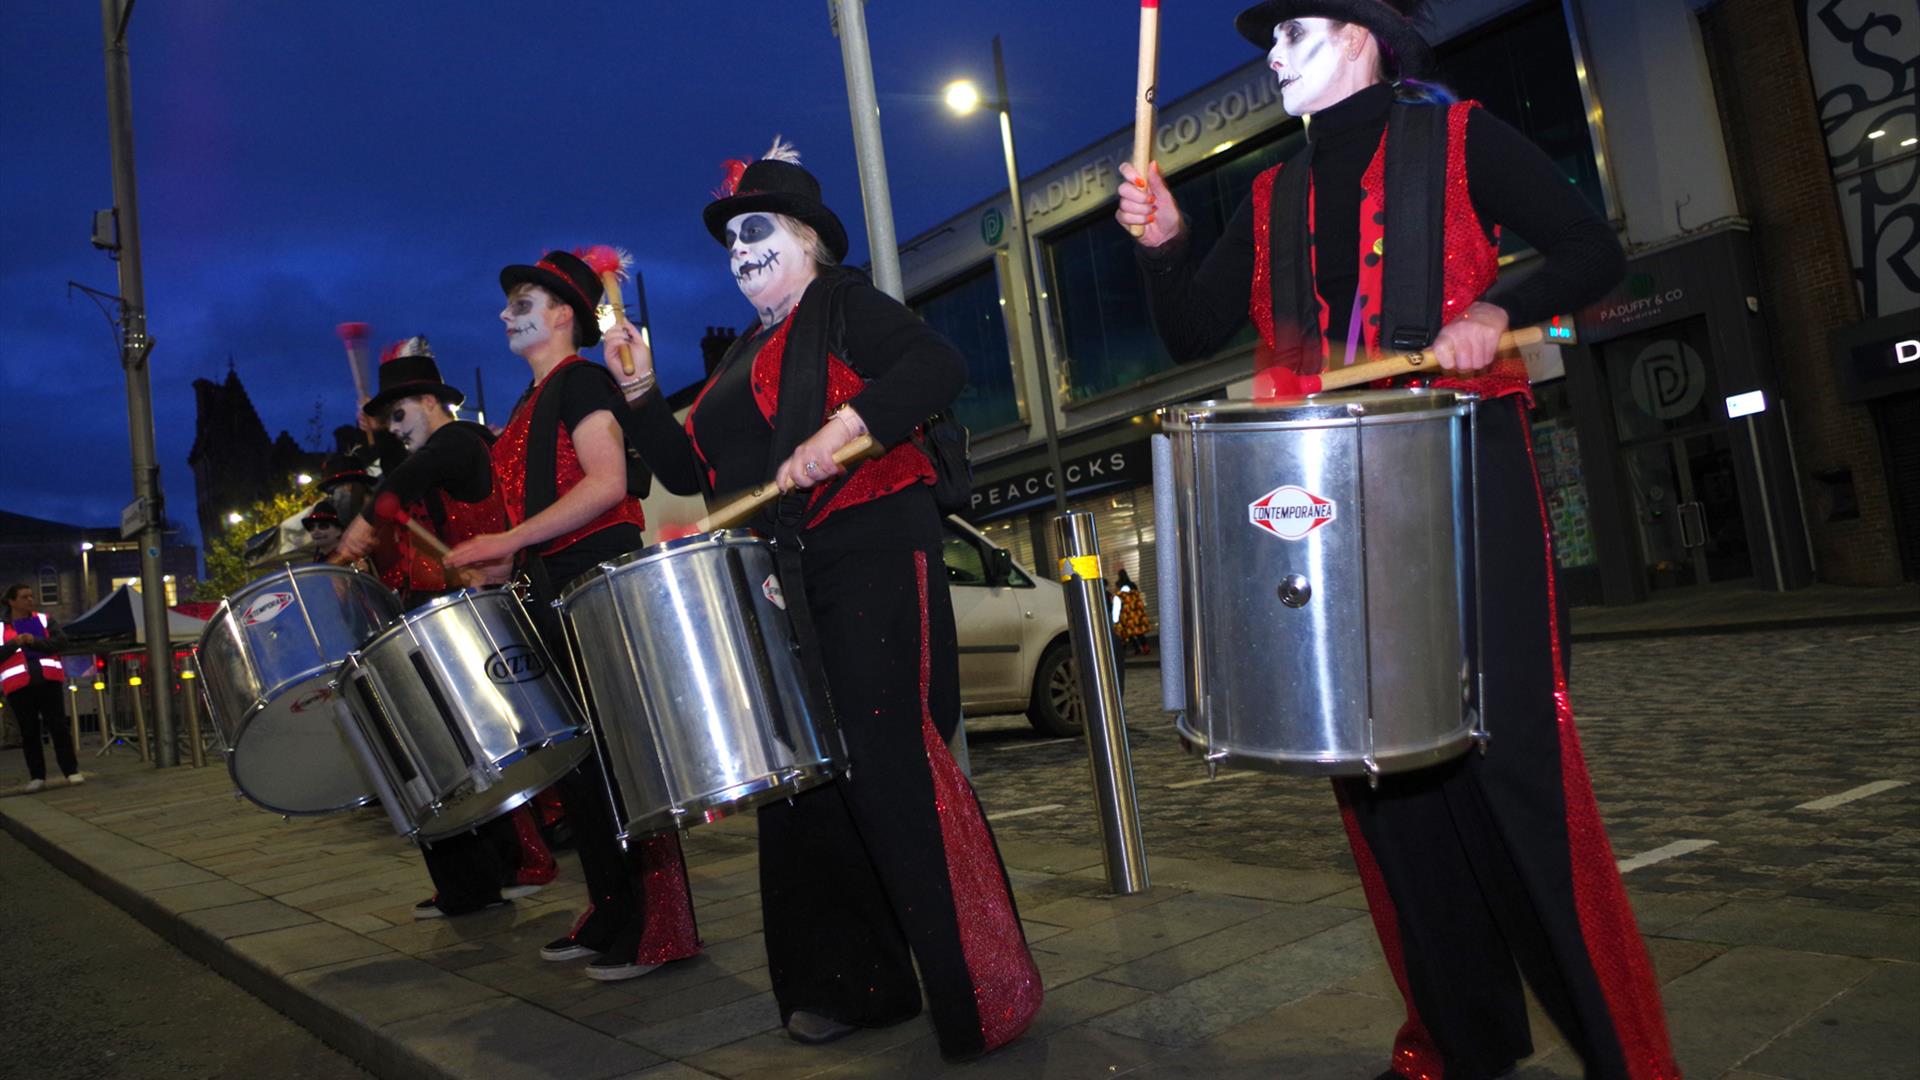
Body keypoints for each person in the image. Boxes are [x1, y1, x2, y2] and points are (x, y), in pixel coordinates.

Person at [1115, 5, 1677, 1080]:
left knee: (1514, 762)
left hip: (1467, 473)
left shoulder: (1463, 136)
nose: (1271, 56)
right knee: (1375, 772)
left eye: (1293, 31)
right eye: (1266, 39)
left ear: (1366, 34)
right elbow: (1191, 329)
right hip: (1339, 493)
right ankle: (1461, 1042)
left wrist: (1493, 308)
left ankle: (1626, 1059)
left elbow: (1588, 249)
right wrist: (1166, 242)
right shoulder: (1273, 191)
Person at [600, 138, 1042, 1061]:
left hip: (875, 545)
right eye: (730, 242)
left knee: (893, 766)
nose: (740, 251)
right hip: (785, 572)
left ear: (807, 237)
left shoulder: (845, 303)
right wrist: (642, 392)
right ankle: (852, 985)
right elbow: (693, 473)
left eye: (756, 231)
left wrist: (847, 425)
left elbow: (934, 368)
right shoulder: (742, 355)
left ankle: (985, 993)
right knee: (803, 779)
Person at [445, 249, 699, 982]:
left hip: (594, 580)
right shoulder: (529, 403)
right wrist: (507, 556)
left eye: (521, 301)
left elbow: (610, 483)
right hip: (553, 580)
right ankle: (611, 910)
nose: (505, 313)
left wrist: (512, 539)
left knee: (615, 760)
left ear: (563, 313)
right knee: (580, 767)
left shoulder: (584, 380)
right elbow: (541, 506)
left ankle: (655, 927)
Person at [335, 337, 557, 921]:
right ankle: (476, 881)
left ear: (432, 402)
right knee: (459, 754)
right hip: (459, 612)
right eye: (389, 420)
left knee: (487, 749)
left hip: (480, 614)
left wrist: (365, 520)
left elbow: (414, 472)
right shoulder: (435, 449)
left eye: (401, 415)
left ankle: (525, 861)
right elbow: (403, 471)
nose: (397, 428)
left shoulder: (460, 442)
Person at [2, 583, 82, 792]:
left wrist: (34, 642)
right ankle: (37, 776)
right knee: (29, 732)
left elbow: (61, 643)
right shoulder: (2, 627)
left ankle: (71, 771)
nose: (30, 600)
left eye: (31, 596)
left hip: (48, 681)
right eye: (24, 597)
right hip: (19, 686)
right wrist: (14, 644)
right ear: (12, 601)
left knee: (58, 727)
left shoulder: (45, 620)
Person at [1113, 568, 1151, 655]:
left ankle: (1136, 648)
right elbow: (1138, 596)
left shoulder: (1118, 585)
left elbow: (1118, 598)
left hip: (1126, 613)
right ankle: (1145, 647)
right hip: (1136, 611)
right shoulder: (1132, 584)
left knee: (1128, 633)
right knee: (1139, 632)